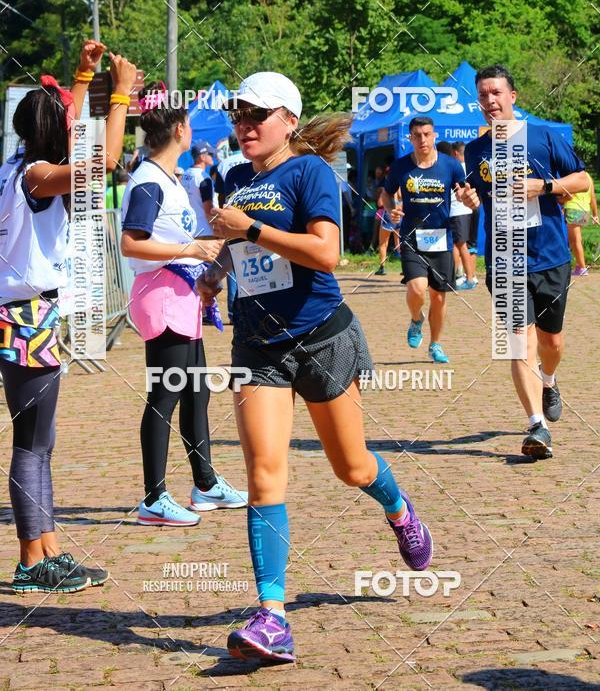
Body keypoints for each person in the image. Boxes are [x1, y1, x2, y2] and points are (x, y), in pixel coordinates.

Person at [197, 71, 433, 664]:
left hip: (321, 338)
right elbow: (240, 245)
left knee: (350, 467)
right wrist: (216, 271)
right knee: (263, 473)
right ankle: (272, 616)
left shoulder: (311, 173)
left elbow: (326, 252)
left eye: (258, 116)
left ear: (289, 121)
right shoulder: (233, 176)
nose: (244, 126)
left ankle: (398, 508)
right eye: (238, 116)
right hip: (257, 347)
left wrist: (249, 227)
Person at [0, 40, 135, 593]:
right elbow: (102, 163)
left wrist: (83, 74)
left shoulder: (18, 162)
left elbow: (67, 121)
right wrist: (121, 92)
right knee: (31, 441)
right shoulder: (35, 175)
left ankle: (47, 548)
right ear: (52, 134)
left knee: (41, 439)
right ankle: (32, 561)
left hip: (26, 310)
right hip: (25, 313)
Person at [120, 86, 247, 526]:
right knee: (165, 395)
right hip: (161, 295)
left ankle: (206, 484)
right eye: (189, 123)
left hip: (181, 296)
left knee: (196, 393)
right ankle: (154, 498)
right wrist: (192, 250)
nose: (192, 129)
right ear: (179, 129)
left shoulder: (172, 178)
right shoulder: (150, 180)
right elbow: (131, 243)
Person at [464, 64, 588, 460]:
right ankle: (537, 424)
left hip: (550, 256)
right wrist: (471, 201)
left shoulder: (544, 138)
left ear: (513, 96)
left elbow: (583, 180)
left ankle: (549, 381)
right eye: (483, 95)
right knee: (519, 343)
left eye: (496, 93)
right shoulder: (475, 150)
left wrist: (545, 186)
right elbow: (480, 196)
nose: (490, 101)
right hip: (504, 260)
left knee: (551, 343)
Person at [381, 117, 467, 364]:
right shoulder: (400, 167)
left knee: (439, 296)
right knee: (417, 288)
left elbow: (462, 190)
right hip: (411, 237)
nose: (422, 140)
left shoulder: (451, 165)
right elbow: (386, 194)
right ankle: (416, 319)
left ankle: (435, 344)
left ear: (434, 135)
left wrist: (466, 195)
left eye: (427, 134)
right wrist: (391, 209)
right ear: (410, 138)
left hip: (441, 238)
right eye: (417, 135)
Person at [214, 133, 248, 320]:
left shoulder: (223, 164)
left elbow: (220, 194)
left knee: (233, 262)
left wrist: (223, 214)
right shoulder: (250, 159)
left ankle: (233, 309)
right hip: (250, 214)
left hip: (231, 215)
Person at [437, 141, 476, 290]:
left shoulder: (449, 167)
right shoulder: (461, 166)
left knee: (459, 245)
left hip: (457, 212)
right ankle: (461, 276)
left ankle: (467, 278)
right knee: (459, 245)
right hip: (463, 211)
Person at [561, 171, 598, 276]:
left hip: (573, 209)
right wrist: (595, 214)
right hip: (584, 210)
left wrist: (560, 201)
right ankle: (579, 265)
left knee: (574, 240)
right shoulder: (587, 176)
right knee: (577, 239)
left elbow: (568, 195)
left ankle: (582, 267)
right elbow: (593, 197)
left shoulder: (572, 176)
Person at [181, 140, 215, 237]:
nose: (212, 157)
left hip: (187, 229)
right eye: (210, 154)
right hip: (205, 231)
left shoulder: (184, 175)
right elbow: (208, 209)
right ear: (202, 157)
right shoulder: (203, 177)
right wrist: (217, 230)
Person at [374, 184, 401, 275]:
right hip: (399, 215)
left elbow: (380, 203)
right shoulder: (402, 187)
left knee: (383, 244)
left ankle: (382, 267)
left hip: (389, 215)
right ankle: (405, 268)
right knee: (399, 243)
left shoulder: (388, 188)